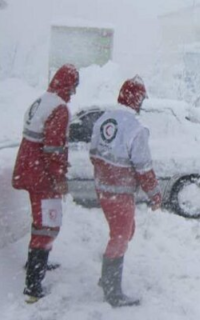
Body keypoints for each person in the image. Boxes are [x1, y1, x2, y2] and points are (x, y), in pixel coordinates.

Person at [89, 76, 162, 307]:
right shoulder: (135, 128)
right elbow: (144, 167)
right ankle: (112, 291)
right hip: (120, 193)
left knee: (126, 231)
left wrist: (105, 174)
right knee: (120, 237)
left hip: (103, 189)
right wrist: (154, 194)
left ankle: (107, 277)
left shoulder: (104, 118)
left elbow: (93, 152)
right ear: (137, 99)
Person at [12, 64, 79, 303]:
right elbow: (53, 149)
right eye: (74, 87)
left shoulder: (41, 100)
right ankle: (33, 284)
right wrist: (59, 178)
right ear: (68, 85)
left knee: (40, 220)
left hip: (28, 169)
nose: (74, 93)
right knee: (48, 224)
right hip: (42, 174)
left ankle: (35, 262)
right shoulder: (59, 109)